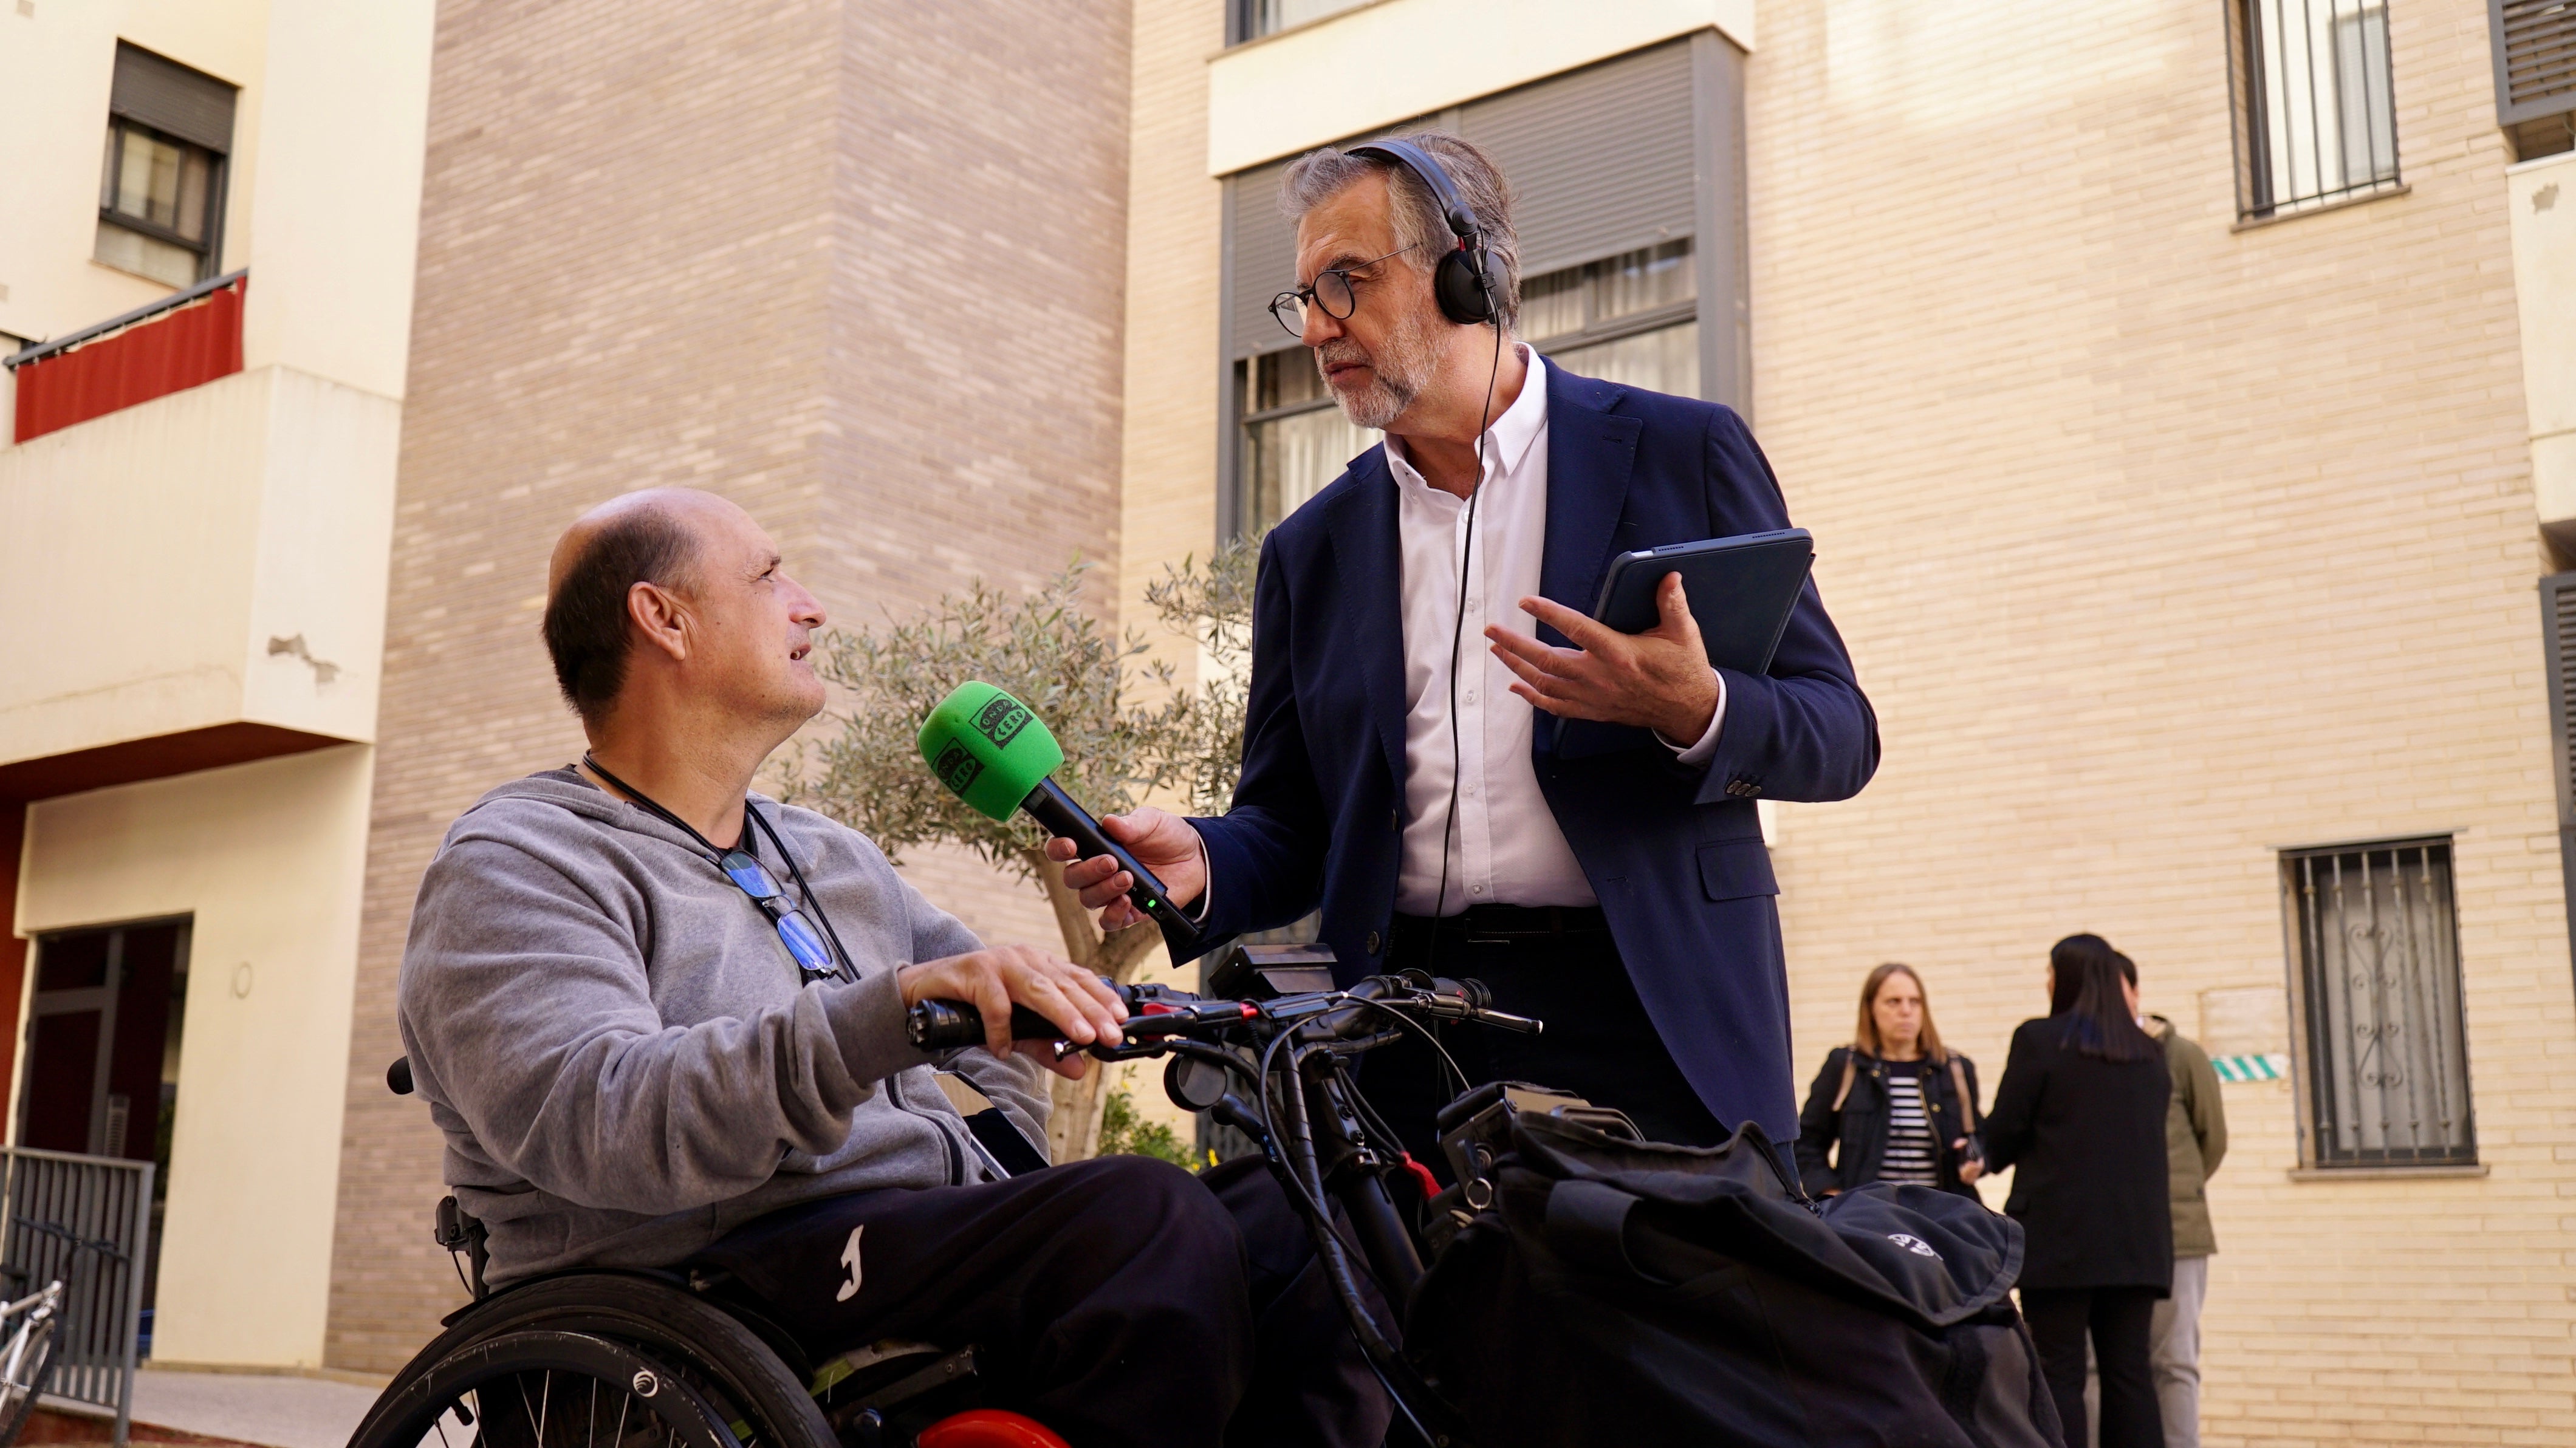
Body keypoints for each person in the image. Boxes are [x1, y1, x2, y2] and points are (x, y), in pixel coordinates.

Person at [394, 488, 1386, 1448]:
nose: (810, 604)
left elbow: (982, 994)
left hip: (898, 1240)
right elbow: (599, 1118)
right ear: (663, 619)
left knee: (1304, 1215)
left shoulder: (825, 851)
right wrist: (892, 1011)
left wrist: (1015, 1153)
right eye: (771, 577)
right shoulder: (522, 859)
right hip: (712, 1273)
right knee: (1143, 1219)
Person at [1052, 132, 1877, 1159]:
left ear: (1467, 268)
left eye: (1344, 283)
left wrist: (1693, 704)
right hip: (1403, 1032)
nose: (1315, 327)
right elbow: (1299, 821)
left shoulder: (1681, 452)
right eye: (1302, 296)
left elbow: (1841, 733)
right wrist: (1208, 859)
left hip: (1656, 1018)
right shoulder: (1307, 550)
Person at [1977, 933, 2173, 1448]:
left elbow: (2007, 1129)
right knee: (2130, 1373)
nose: (2046, 981)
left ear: (2067, 978)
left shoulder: (2041, 1040)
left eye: (2050, 970)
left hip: (2061, 1240)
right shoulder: (2150, 1055)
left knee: (2060, 1372)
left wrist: (1978, 1153)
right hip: (2137, 1243)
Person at [2113, 952, 2228, 1448]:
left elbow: (2212, 1139)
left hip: (2177, 1234)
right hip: (2113, 1236)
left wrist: (2170, 1194)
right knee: (2113, 1362)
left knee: (2174, 1359)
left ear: (2136, 993)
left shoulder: (2181, 1056)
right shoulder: (2087, 1059)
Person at [1794, 963, 1984, 1199]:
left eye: (1915, 1002)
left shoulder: (1954, 1069)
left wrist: (1975, 1160)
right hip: (1868, 1219)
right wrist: (1832, 1194)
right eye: (1893, 1002)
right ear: (1871, 1009)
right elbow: (1806, 1144)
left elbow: (1981, 1137)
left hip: (1941, 1219)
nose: (1906, 1011)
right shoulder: (1845, 1066)